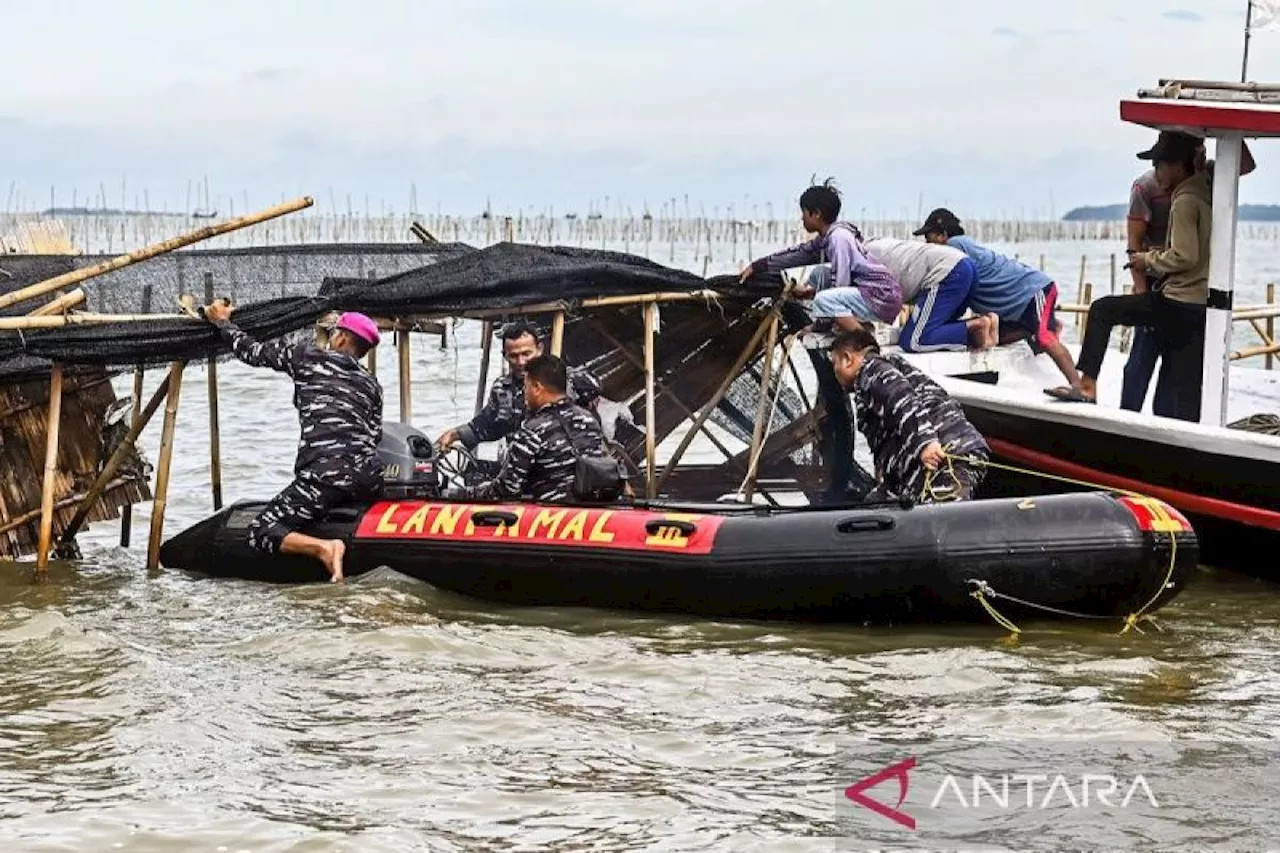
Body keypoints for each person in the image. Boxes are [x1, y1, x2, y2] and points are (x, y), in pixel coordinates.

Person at [202, 304, 384, 582]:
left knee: (262, 530)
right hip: (368, 479)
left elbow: (253, 352)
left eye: (335, 333)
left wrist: (223, 323)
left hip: (324, 476)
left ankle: (325, 547)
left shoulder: (308, 357)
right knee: (332, 495)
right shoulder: (372, 384)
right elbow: (374, 436)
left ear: (342, 338)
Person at [1045, 131, 1210, 421]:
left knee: (1102, 310)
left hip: (1177, 301)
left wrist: (1148, 259)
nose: (1156, 173)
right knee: (1176, 390)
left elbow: (1185, 255)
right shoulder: (1208, 188)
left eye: (1160, 164)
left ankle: (1087, 384)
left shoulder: (1183, 199)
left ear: (1176, 164)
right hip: (1200, 305)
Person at [1121, 133, 1255, 412]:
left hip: (1188, 288)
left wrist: (1228, 130)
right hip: (1155, 279)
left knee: (1179, 366)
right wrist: (1143, 293)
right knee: (1142, 358)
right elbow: (1134, 246)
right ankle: (1127, 416)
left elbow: (1245, 164)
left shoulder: (1206, 177)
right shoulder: (1145, 187)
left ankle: (1169, 420)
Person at [914, 208, 1081, 388]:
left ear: (942, 235)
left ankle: (1078, 387)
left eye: (928, 237)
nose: (926, 244)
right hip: (1018, 303)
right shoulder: (961, 246)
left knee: (1043, 337)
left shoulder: (952, 247)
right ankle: (1040, 326)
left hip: (1032, 290)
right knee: (994, 337)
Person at [828, 327, 989, 502]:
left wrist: (925, 443)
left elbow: (901, 398)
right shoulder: (876, 377)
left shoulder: (872, 370)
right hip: (919, 469)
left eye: (834, 364)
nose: (834, 373)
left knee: (939, 519)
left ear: (847, 359)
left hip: (948, 456)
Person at [739, 178, 902, 333]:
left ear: (816, 214)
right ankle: (841, 324)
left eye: (804, 212)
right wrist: (758, 266)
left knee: (824, 300)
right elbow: (799, 253)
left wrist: (821, 320)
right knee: (819, 274)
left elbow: (841, 283)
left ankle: (862, 340)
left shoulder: (839, 238)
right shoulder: (827, 237)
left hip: (881, 297)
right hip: (866, 293)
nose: (801, 218)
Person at [458, 354, 612, 503]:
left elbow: (507, 488)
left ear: (537, 388)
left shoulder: (532, 429)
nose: (524, 393)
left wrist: (466, 494)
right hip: (592, 509)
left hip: (552, 514)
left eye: (526, 386)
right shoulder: (589, 419)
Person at [437, 320, 602, 451]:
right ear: (505, 355)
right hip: (523, 465)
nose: (521, 362)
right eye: (514, 356)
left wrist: (556, 376)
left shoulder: (564, 379)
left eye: (526, 354)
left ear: (539, 349)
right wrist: (454, 434)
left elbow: (594, 389)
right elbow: (488, 424)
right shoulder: (503, 389)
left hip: (565, 465)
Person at [863, 236, 998, 351]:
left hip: (946, 273)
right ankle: (986, 323)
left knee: (913, 340)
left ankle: (975, 328)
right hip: (964, 266)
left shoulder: (857, 260)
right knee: (940, 327)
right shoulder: (870, 246)